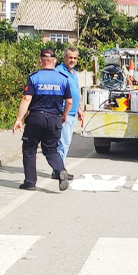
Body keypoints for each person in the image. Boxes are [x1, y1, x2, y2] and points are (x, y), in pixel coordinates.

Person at [12, 48, 72, 192]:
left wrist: (19, 119)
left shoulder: (34, 77)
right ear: (55, 61)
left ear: (40, 60)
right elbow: (69, 101)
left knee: (29, 149)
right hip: (54, 119)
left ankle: (30, 182)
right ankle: (60, 169)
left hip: (36, 118)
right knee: (51, 150)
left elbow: (27, 98)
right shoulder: (63, 79)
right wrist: (64, 115)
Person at [55, 47, 84, 179]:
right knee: (63, 143)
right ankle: (59, 171)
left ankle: (59, 169)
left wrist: (79, 109)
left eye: (75, 58)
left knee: (65, 143)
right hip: (64, 114)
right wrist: (62, 113)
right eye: (70, 57)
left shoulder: (73, 73)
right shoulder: (58, 72)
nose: (72, 60)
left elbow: (75, 92)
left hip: (72, 113)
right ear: (64, 58)